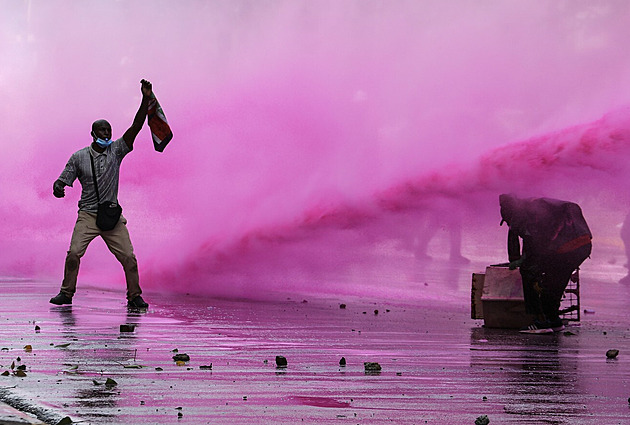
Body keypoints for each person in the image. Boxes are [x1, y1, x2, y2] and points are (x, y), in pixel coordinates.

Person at [50, 79, 153, 309]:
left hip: (111, 215)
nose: (106, 133)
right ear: (92, 133)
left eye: (108, 130)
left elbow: (136, 126)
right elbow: (64, 177)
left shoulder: (116, 151)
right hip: (87, 215)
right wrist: (58, 186)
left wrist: (145, 98)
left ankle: (134, 296)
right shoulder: (79, 157)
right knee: (74, 254)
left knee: (129, 258)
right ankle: (66, 293)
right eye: (102, 130)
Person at [499, 194, 592, 334]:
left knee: (529, 272)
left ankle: (541, 321)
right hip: (582, 245)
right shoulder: (539, 204)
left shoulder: (521, 212)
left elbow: (529, 239)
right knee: (554, 280)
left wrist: (520, 260)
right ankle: (553, 320)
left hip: (564, 248)